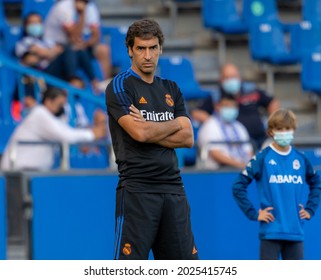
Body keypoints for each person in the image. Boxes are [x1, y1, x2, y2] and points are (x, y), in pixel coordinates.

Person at [106, 18, 198, 260]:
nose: (148, 55)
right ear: (129, 50)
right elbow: (139, 133)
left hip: (174, 190)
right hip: (138, 190)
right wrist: (174, 124)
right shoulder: (119, 86)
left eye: (153, 48)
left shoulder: (171, 88)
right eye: (141, 48)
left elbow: (188, 137)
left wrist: (151, 127)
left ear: (160, 49)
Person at [232, 108, 321, 260]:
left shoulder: (301, 158)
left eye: (288, 129)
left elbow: (316, 183)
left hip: (295, 233)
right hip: (270, 233)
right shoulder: (262, 157)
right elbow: (238, 186)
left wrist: (310, 209)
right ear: (271, 132)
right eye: (279, 129)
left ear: (293, 130)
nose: (284, 132)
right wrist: (254, 213)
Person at [1, 87, 106, 171]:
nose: (62, 108)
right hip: (17, 174)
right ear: (48, 101)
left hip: (31, 172)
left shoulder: (53, 118)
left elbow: (67, 131)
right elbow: (66, 136)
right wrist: (91, 134)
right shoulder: (39, 114)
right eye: (59, 104)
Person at [191, 63, 280, 150]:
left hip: (260, 139)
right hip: (235, 144)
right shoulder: (217, 96)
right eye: (228, 78)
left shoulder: (252, 90)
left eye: (234, 76)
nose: (232, 80)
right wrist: (215, 123)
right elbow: (196, 112)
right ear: (221, 80)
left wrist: (272, 124)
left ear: (239, 77)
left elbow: (272, 102)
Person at [44, 0, 112, 89]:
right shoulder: (63, 7)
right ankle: (73, 80)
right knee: (74, 49)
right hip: (56, 47)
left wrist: (85, 44)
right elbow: (74, 36)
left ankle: (104, 85)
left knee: (103, 50)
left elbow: (96, 37)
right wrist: (82, 14)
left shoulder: (91, 7)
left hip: (76, 45)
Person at [15, 12, 77, 81]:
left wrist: (43, 53)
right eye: (32, 23)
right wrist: (51, 53)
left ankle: (75, 79)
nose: (35, 25)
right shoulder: (22, 43)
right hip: (40, 73)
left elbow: (60, 49)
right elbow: (29, 60)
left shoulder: (47, 40)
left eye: (38, 22)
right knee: (67, 51)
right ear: (26, 26)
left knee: (75, 51)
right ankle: (72, 80)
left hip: (53, 70)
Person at [197, 93, 253, 170]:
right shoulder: (210, 126)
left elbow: (248, 151)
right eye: (226, 106)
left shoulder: (239, 126)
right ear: (217, 106)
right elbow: (215, 154)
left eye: (233, 106)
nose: (230, 109)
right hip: (217, 172)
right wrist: (239, 165)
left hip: (241, 169)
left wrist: (248, 165)